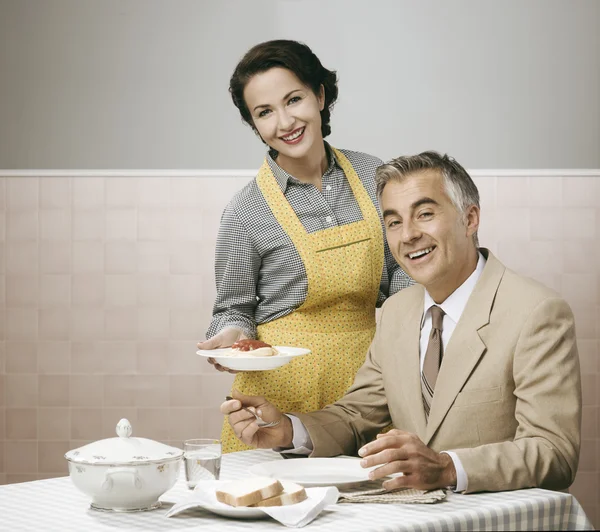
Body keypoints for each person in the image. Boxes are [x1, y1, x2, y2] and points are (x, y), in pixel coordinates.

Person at [221, 151, 582, 493]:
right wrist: (289, 430)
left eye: (424, 214)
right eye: (393, 221)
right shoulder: (396, 312)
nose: (407, 234)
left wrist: (448, 467)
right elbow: (356, 416)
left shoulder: (537, 312)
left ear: (470, 219)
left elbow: (554, 451)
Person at [197, 40, 412, 453]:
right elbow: (233, 307)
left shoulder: (372, 173)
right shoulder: (246, 211)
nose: (284, 122)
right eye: (264, 112)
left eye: (293, 99)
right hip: (278, 393)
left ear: (320, 95)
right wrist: (231, 336)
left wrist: (409, 323)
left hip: (369, 386)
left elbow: (401, 263)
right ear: (254, 125)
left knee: (371, 510)